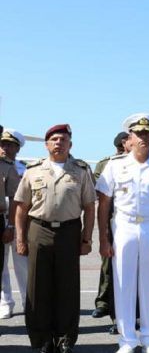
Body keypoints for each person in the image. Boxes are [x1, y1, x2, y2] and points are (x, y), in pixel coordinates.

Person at [96, 114, 149, 353]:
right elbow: (104, 205)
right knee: (123, 283)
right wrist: (103, 238)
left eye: (147, 133)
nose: (143, 137)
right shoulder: (114, 165)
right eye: (138, 134)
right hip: (123, 225)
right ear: (129, 138)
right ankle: (127, 340)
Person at [14, 124, 96, 353]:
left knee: (67, 288)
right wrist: (21, 239)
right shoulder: (33, 170)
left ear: (70, 144)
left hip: (69, 232)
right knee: (38, 288)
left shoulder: (80, 171)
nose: (59, 143)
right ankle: (41, 340)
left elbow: (89, 207)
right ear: (47, 144)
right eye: (54, 139)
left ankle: (65, 339)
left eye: (63, 139)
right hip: (39, 230)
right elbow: (21, 208)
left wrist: (86, 238)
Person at [92, 131, 130, 333]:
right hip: (112, 217)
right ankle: (103, 302)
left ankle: (128, 314)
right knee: (109, 266)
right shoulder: (107, 163)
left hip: (131, 221)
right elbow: (100, 191)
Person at [0, 129, 26, 320]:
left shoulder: (24, 169)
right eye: (2, 144)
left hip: (18, 220)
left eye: (9, 144)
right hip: (2, 217)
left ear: (17, 147)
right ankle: (5, 302)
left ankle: (28, 301)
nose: (4, 148)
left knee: (22, 264)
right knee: (1, 266)